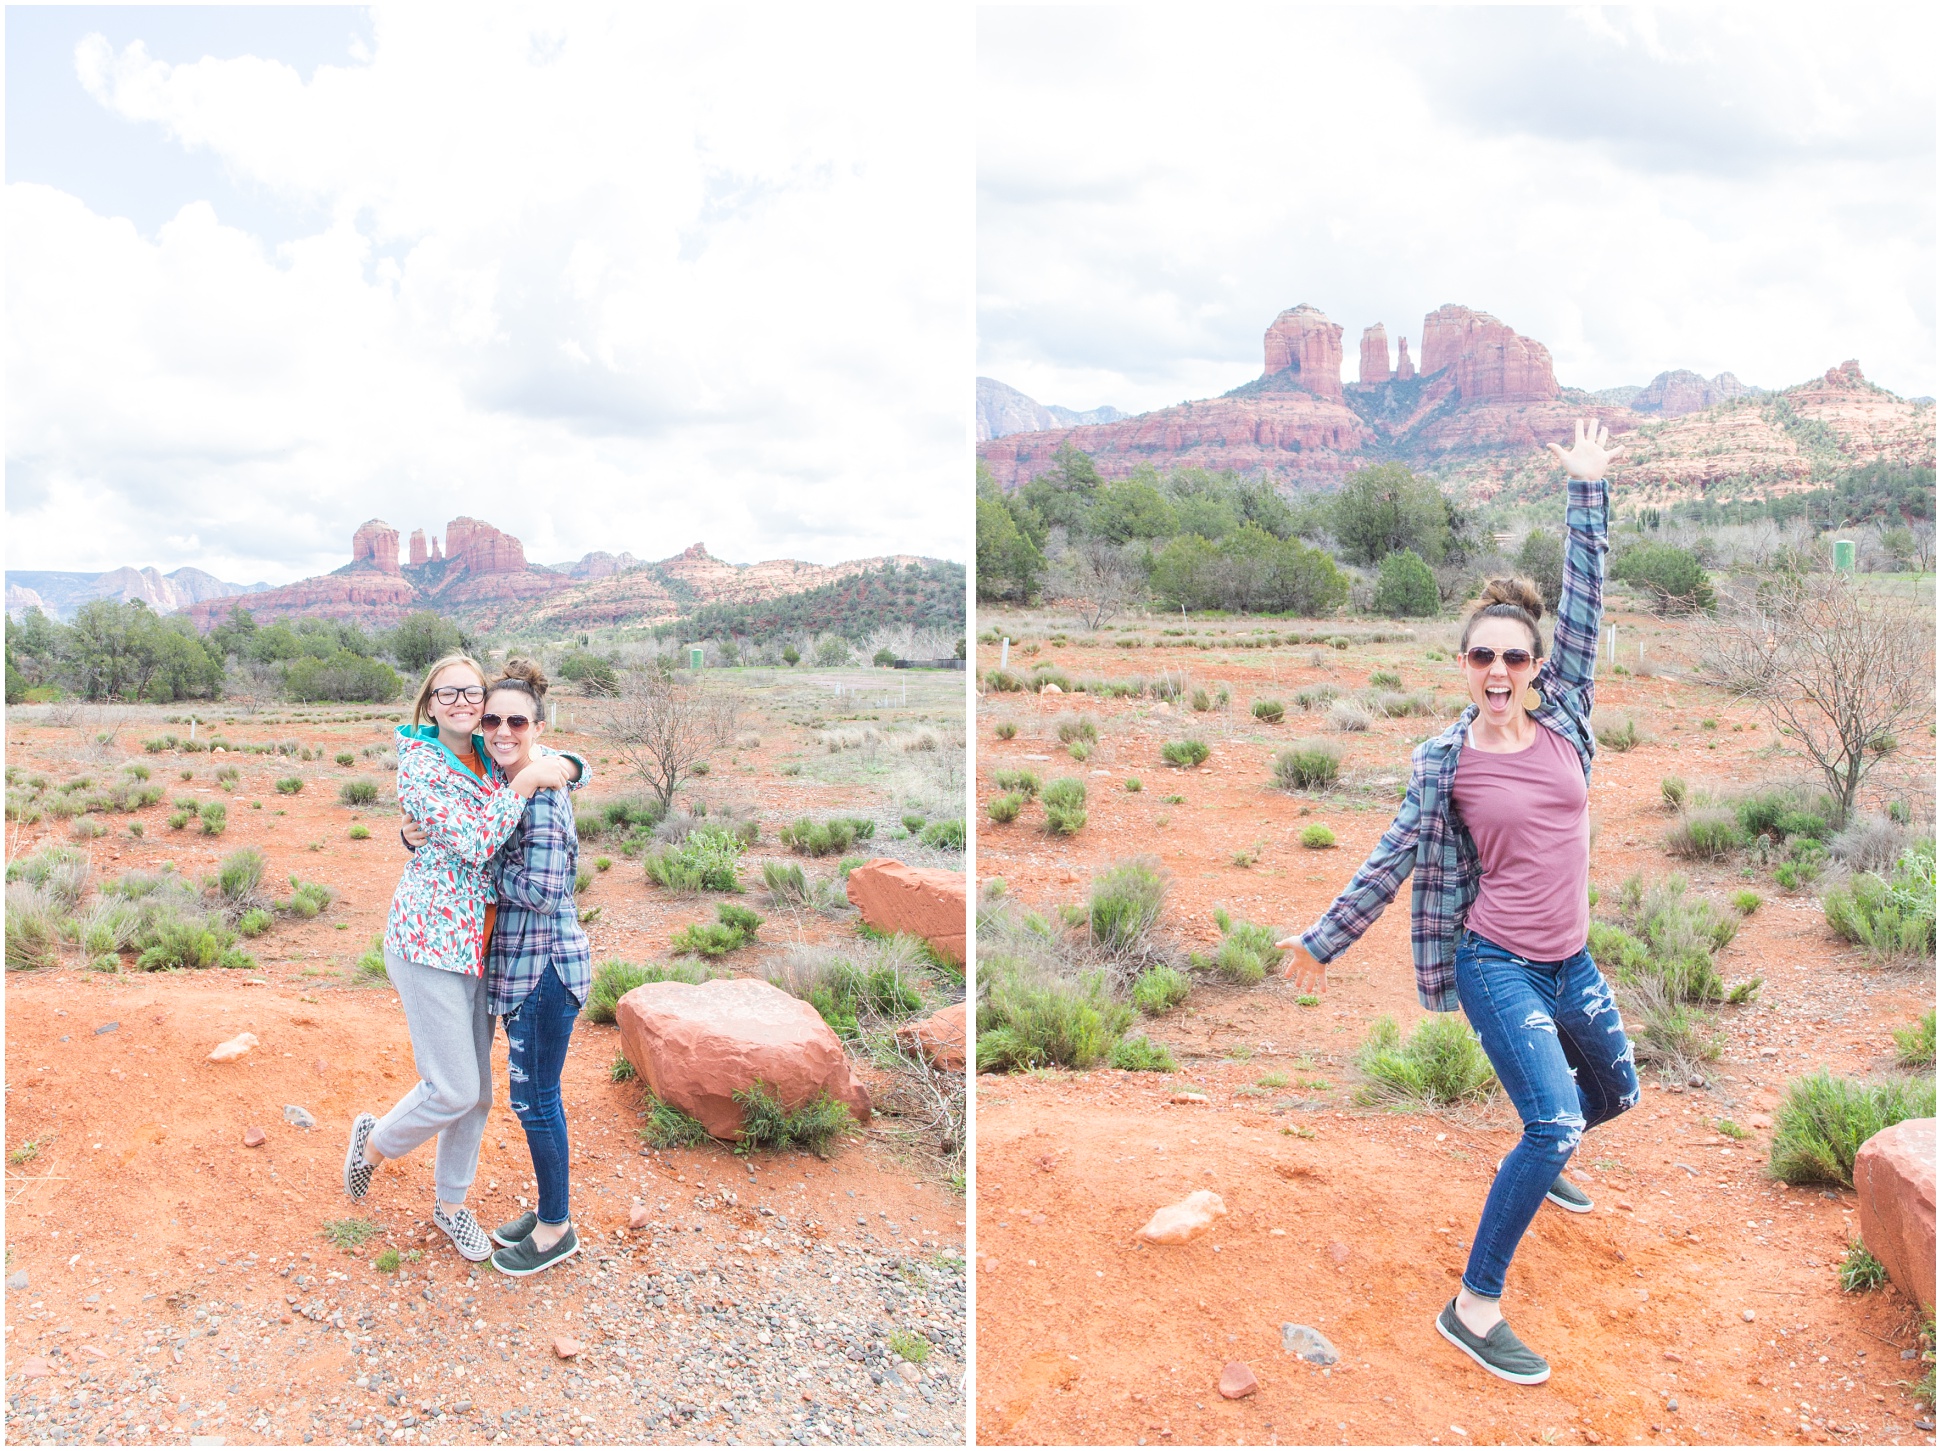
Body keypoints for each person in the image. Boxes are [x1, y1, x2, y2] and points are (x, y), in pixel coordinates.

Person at [1277, 420, 1637, 1385]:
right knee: (1553, 1120)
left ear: (1534, 665)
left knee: (1614, 1094)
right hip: (1495, 959)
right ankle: (1472, 1308)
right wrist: (1322, 940)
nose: (1498, 672)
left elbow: (1590, 600)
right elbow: (1392, 855)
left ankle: (1542, 1153)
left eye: (1514, 657)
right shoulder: (1444, 761)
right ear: (1463, 663)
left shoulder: (1566, 715)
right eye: (1481, 657)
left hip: (1572, 958)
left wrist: (1586, 493)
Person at [341, 653, 582, 1264]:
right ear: (428, 701)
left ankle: (450, 1207)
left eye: (470, 693)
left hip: (482, 946)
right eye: (447, 693)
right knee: (452, 1089)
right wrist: (529, 782)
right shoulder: (421, 764)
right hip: (428, 943)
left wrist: (567, 767)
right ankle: (374, 1145)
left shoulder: (486, 749)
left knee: (477, 1096)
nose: (462, 703)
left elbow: (555, 760)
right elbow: (477, 842)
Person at [471, 661, 590, 1276]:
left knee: (537, 1100)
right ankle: (553, 1210)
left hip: (544, 970)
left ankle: (555, 1230)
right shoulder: (507, 777)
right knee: (534, 1098)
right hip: (526, 968)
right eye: (492, 720)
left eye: (517, 721)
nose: (502, 731)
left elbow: (544, 891)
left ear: (537, 726)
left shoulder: (540, 797)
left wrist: (475, 869)